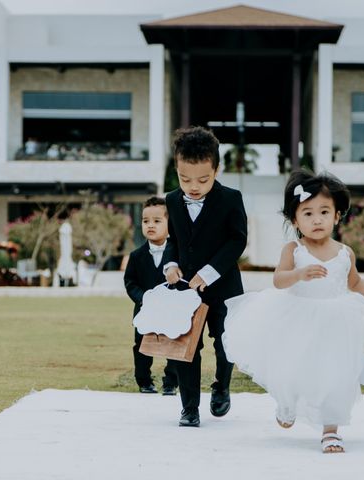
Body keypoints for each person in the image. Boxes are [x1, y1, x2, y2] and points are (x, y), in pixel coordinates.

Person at [222, 169, 364, 453]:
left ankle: (331, 428)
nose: (317, 219)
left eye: (324, 212)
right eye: (307, 213)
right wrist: (299, 274)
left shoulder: (345, 252)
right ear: (294, 219)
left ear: (337, 215)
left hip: (337, 321)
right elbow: (279, 280)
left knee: (337, 373)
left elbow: (355, 283)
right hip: (299, 317)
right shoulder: (293, 249)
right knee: (293, 367)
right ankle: (287, 401)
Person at [164, 126, 248, 427]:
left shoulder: (231, 198)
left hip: (224, 286)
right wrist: (170, 264)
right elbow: (172, 238)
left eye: (203, 179)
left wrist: (208, 273)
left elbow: (237, 240)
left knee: (225, 341)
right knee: (186, 346)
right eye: (185, 179)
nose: (193, 186)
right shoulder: (171, 200)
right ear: (177, 169)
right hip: (185, 290)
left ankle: (222, 386)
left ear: (216, 169)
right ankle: (189, 408)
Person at [124, 197, 179, 395]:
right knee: (142, 345)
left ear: (168, 223)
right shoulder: (136, 256)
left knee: (173, 343)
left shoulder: (177, 253)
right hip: (145, 309)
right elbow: (130, 282)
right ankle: (144, 381)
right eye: (146, 221)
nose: (150, 225)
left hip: (171, 311)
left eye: (157, 221)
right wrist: (143, 298)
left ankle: (171, 382)